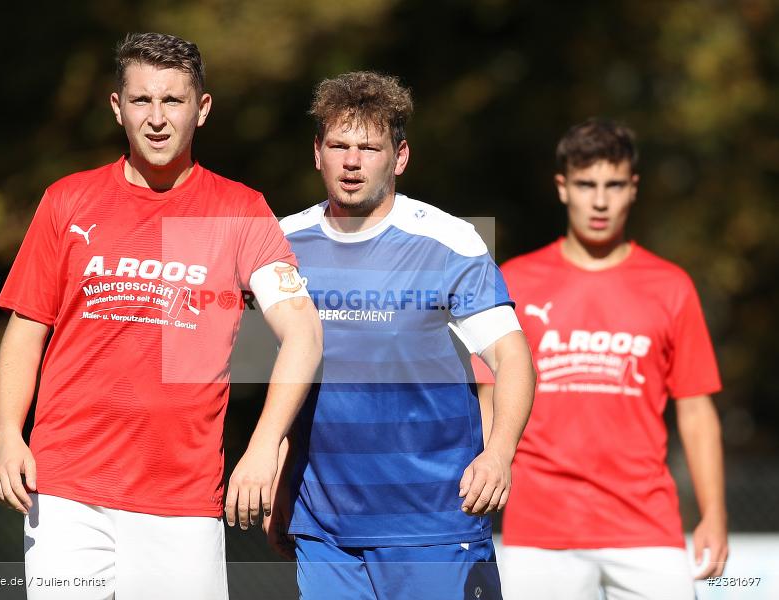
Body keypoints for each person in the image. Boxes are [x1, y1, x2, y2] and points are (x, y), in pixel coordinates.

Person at [0, 32, 322, 599]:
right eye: (142, 100)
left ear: (202, 108)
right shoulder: (67, 200)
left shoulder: (239, 210)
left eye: (173, 100)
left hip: (182, 498)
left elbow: (304, 334)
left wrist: (264, 446)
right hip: (66, 490)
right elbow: (27, 328)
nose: (157, 118)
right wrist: (6, 434)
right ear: (117, 107)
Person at [265, 71, 536, 600]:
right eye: (339, 146)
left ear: (400, 157)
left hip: (434, 521)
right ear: (317, 152)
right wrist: (279, 473)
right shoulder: (282, 243)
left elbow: (513, 358)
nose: (352, 162)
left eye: (369, 148)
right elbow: (288, 377)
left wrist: (500, 453)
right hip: (323, 527)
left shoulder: (450, 241)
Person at [477, 118, 728, 599]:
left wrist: (714, 514)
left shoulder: (671, 287)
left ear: (632, 188)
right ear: (562, 187)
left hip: (647, 526)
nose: (599, 201)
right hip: (540, 529)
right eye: (585, 184)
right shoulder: (516, 281)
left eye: (613, 186)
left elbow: (697, 412)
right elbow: (488, 398)